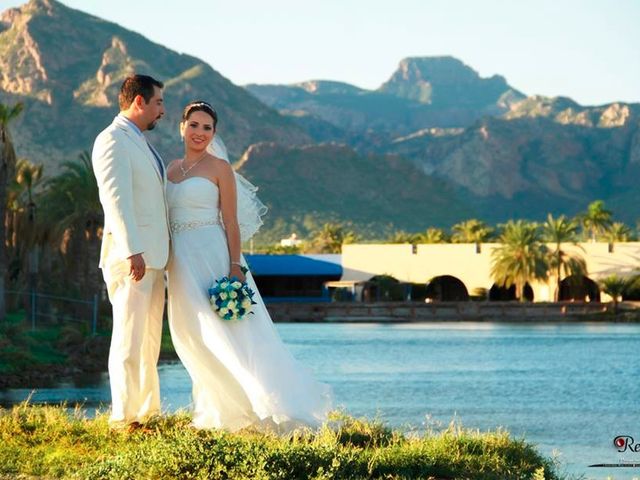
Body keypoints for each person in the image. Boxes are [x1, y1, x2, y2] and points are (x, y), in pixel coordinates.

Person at [166, 101, 332, 432]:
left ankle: (264, 405)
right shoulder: (169, 169)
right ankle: (220, 407)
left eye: (207, 127)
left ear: (214, 133)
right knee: (193, 335)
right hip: (181, 262)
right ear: (182, 127)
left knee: (233, 331)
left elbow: (230, 220)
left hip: (213, 255)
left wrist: (233, 265)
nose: (200, 132)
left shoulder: (219, 168)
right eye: (194, 125)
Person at [92, 74, 170, 430]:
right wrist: (132, 250)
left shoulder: (139, 141)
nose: (162, 111)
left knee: (149, 341)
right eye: (158, 103)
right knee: (128, 338)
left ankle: (146, 412)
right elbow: (115, 199)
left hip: (153, 258)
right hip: (132, 258)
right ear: (139, 102)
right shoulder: (112, 140)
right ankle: (123, 417)